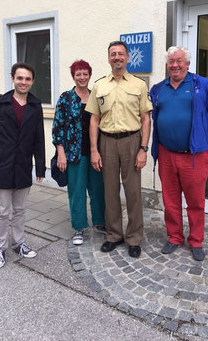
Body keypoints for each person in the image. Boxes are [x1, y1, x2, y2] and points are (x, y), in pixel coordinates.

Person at [150, 46, 208, 261]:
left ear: (188, 63)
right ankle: (174, 237)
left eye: (179, 61)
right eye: (171, 61)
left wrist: (202, 137)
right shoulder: (158, 88)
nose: (175, 65)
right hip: (166, 154)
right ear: (167, 65)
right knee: (170, 200)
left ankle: (196, 240)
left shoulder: (202, 85)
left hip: (194, 155)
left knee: (195, 200)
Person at [0, 62, 46, 269]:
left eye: (27, 79)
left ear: (32, 81)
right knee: (2, 210)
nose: (23, 82)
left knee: (20, 209)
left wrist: (39, 167)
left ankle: (19, 243)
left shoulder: (35, 105)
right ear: (13, 79)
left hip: (23, 164)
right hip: (1, 164)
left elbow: (38, 138)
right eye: (20, 78)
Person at [86, 41, 152, 258]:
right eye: (113, 54)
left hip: (132, 142)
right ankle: (113, 235)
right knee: (110, 191)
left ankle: (134, 238)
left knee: (133, 192)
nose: (117, 57)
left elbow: (145, 118)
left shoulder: (138, 85)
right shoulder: (99, 85)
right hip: (107, 143)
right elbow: (94, 119)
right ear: (108, 59)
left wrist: (143, 148)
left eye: (121, 54)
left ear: (127, 58)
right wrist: (94, 150)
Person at [52, 60, 105, 246]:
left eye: (85, 74)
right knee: (77, 191)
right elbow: (57, 127)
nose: (82, 77)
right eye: (78, 74)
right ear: (73, 76)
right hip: (73, 154)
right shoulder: (66, 98)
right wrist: (60, 152)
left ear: (90, 75)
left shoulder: (96, 97)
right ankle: (79, 227)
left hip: (95, 152)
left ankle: (100, 222)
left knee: (98, 189)